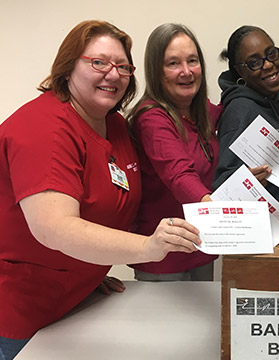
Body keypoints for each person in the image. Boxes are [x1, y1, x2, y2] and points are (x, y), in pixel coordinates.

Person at [0, 20, 202, 359]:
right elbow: (54, 228)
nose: (114, 74)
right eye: (98, 62)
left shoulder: (115, 124)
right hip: (22, 317)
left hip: (74, 304)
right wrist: (147, 246)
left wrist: (90, 271)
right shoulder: (42, 128)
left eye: (123, 66)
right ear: (67, 67)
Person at [127, 24, 220, 281]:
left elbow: (230, 111)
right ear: (156, 71)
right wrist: (222, 215)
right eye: (173, 63)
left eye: (193, 61)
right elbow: (179, 175)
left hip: (200, 246)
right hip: (164, 258)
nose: (186, 72)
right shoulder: (151, 118)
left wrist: (267, 94)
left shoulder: (200, 110)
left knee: (208, 322)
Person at [212, 25, 279, 202]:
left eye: (271, 54)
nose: (268, 64)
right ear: (239, 70)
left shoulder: (275, 95)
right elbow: (223, 187)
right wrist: (246, 183)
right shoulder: (240, 111)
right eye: (254, 63)